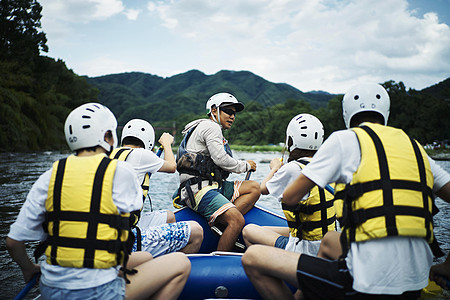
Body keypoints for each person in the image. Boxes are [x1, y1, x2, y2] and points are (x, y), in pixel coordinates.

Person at [241, 83, 450, 299]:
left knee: (253, 258)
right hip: (414, 282)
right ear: (385, 114)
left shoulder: (345, 140)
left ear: (347, 114)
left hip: (366, 282)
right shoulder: (416, 148)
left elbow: (290, 197)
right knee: (331, 238)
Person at [6, 103, 191, 300]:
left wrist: (28, 269)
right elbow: (128, 214)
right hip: (99, 290)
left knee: (144, 258)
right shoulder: (121, 172)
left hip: (51, 288)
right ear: (108, 137)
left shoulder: (50, 175)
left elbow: (13, 242)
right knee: (181, 263)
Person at [174, 92, 260, 251]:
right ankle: (221, 254)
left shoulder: (208, 128)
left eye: (234, 113)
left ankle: (221, 224)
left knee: (254, 188)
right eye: (228, 111)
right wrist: (245, 165)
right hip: (199, 190)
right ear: (214, 111)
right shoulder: (211, 127)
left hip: (214, 185)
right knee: (237, 221)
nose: (232, 116)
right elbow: (221, 159)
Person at [242, 113, 336, 257]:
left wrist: (274, 168)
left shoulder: (292, 168)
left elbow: (263, 189)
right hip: (327, 244)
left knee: (249, 231)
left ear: (291, 140)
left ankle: (268, 267)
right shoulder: (328, 166)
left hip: (305, 249)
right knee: (269, 229)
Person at [111, 119, 203, 257]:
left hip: (115, 226)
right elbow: (172, 167)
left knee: (169, 216)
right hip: (125, 236)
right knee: (197, 231)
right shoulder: (142, 154)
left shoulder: (111, 154)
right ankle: (169, 270)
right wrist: (166, 143)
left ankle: (160, 256)